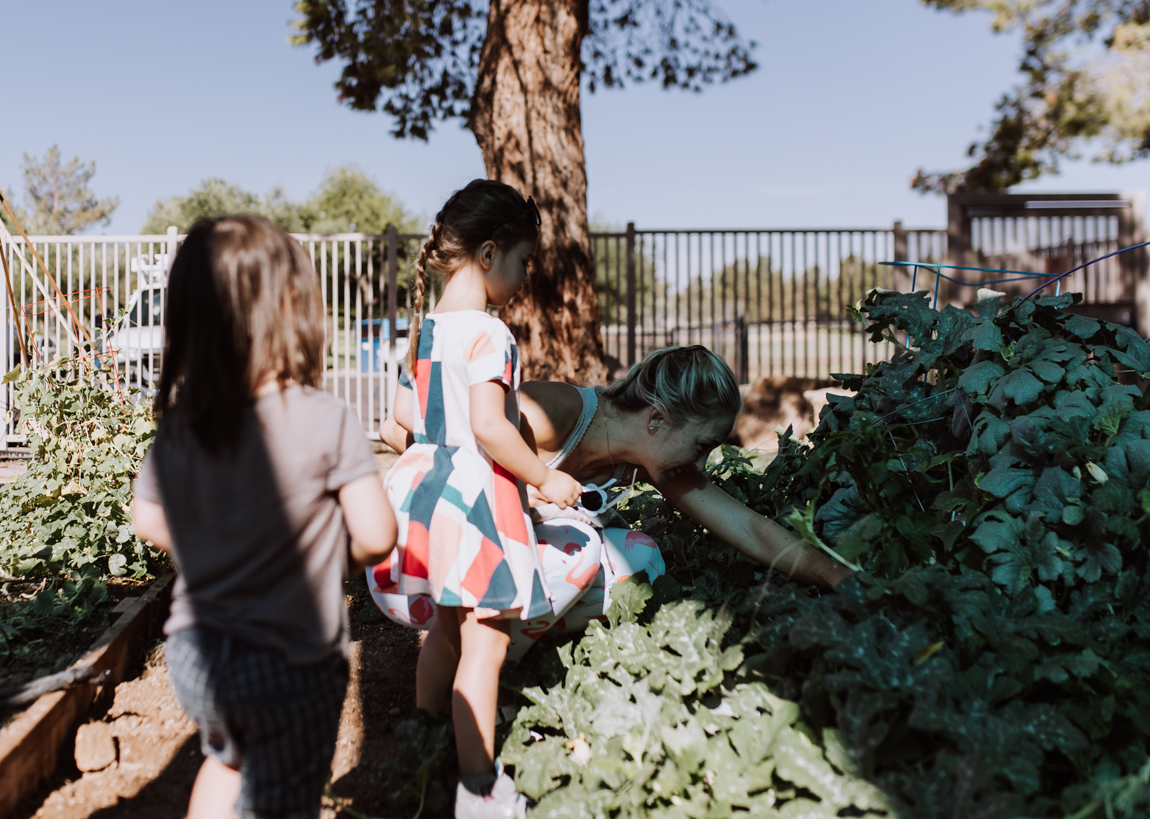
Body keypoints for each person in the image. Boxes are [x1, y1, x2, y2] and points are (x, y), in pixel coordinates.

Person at [131, 215, 398, 819]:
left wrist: (216, 543)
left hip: (197, 654)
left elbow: (146, 517)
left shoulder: (183, 425)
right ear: (295, 311)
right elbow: (378, 534)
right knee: (283, 798)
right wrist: (332, 558)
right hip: (291, 660)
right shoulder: (327, 418)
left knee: (228, 761)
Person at [373, 345, 853, 658]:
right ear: (657, 420)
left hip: (499, 568)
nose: (702, 465)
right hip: (425, 561)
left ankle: (507, 646)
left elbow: (746, 527)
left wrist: (838, 576)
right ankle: (474, 666)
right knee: (581, 545)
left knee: (644, 564)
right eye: (701, 445)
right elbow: (407, 434)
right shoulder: (554, 412)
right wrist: (533, 491)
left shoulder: (657, 462)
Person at [367, 179, 580, 819]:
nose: (522, 278)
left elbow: (397, 421)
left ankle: (424, 740)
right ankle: (481, 788)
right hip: (482, 506)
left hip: (431, 501)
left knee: (445, 633)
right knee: (486, 646)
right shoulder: (491, 335)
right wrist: (545, 478)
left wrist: (437, 447)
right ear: (488, 255)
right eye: (521, 262)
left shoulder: (429, 330)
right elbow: (490, 427)